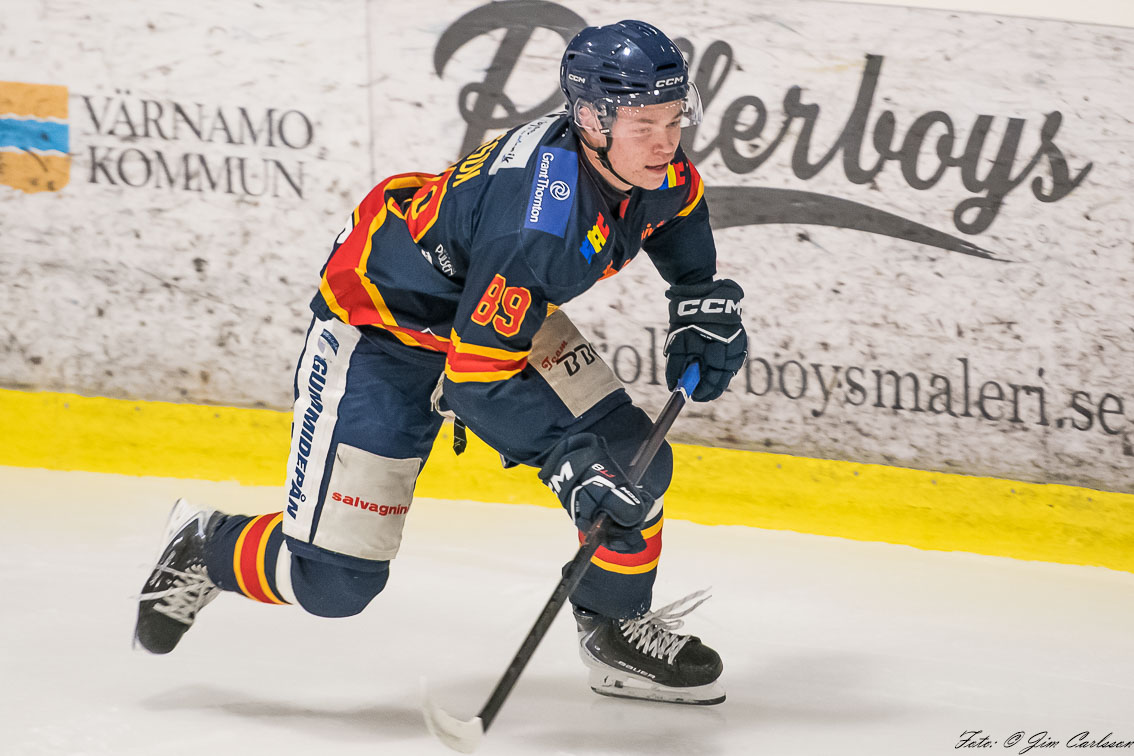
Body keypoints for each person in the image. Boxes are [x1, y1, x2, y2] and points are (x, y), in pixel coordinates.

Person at [135, 19, 747, 706]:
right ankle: (205, 545)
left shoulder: (644, 163)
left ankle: (614, 630)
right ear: (589, 118)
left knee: (634, 459)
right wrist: (567, 461)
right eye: (644, 124)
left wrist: (696, 295)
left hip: (486, 307)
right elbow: (477, 382)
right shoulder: (537, 229)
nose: (665, 142)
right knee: (335, 584)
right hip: (383, 330)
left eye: (673, 118)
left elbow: (679, 210)